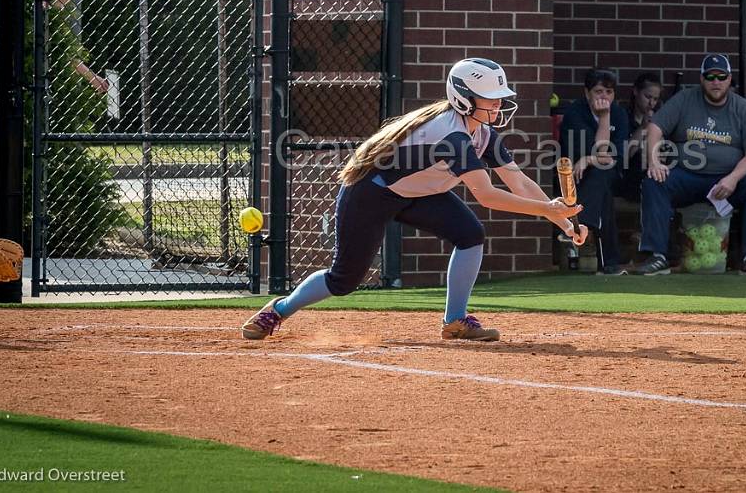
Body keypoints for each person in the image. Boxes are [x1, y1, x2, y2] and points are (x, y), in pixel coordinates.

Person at [241, 58, 585, 342]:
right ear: (464, 98)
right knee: (343, 280)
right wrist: (547, 209)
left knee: (470, 235)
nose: (498, 103)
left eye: (499, 95)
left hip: (419, 194)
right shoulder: (452, 135)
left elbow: (518, 180)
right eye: (490, 97)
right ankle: (278, 309)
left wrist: (564, 222)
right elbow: (487, 195)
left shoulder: (481, 133)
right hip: (372, 193)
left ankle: (456, 320)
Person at [635, 54, 746, 276]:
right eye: (710, 76)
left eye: (721, 76)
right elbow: (655, 128)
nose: (716, 82)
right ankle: (657, 256)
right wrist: (654, 162)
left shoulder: (743, 107)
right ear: (702, 79)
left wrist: (733, 178)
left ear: (729, 79)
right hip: (687, 177)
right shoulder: (685, 99)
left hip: (728, 181)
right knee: (654, 181)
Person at [558, 68, 630, 275]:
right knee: (602, 188)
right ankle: (610, 263)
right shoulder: (575, 113)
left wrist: (605, 117)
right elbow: (596, 153)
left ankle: (580, 224)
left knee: (602, 173)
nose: (604, 97)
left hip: (611, 174)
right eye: (599, 91)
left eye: (609, 92)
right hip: (576, 178)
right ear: (587, 92)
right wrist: (592, 158)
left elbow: (611, 156)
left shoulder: (617, 113)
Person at [618, 72, 663, 202]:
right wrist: (643, 127)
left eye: (655, 99)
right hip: (629, 179)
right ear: (636, 91)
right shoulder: (623, 117)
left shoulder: (659, 120)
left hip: (652, 175)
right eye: (648, 97)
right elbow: (623, 155)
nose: (651, 103)